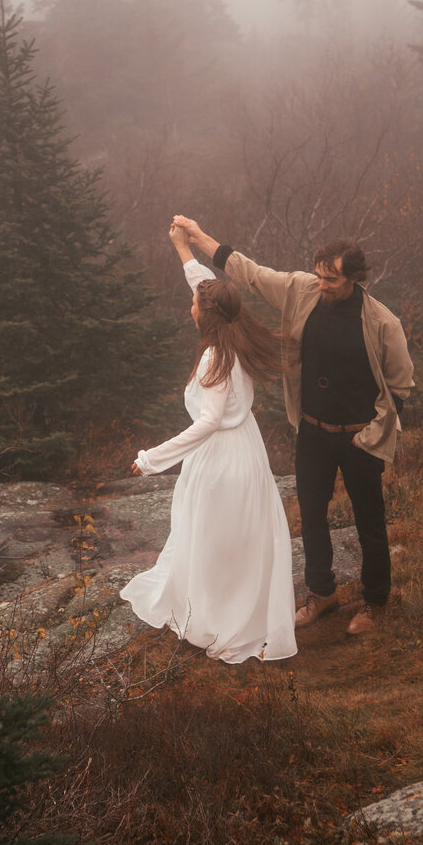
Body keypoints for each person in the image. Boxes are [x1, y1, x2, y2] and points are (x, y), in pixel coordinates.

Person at [171, 217, 414, 635]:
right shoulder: (302, 290)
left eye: (331, 280)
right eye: (319, 276)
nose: (322, 285)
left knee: (369, 522)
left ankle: (375, 602)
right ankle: (323, 594)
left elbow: (401, 387)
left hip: (360, 437)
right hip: (313, 431)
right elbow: (248, 271)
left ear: (354, 278)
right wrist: (197, 236)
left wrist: (371, 436)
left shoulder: (382, 323)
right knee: (312, 516)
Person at [120, 224, 297, 665]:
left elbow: (208, 422)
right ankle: (238, 610)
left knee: (215, 538)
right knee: (237, 538)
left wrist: (152, 459)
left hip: (221, 459)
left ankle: (221, 619)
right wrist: (184, 248)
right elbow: (208, 288)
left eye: (194, 304)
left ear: (205, 314)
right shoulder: (235, 330)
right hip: (247, 451)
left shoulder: (214, 357)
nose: (190, 308)